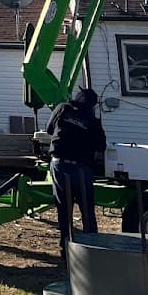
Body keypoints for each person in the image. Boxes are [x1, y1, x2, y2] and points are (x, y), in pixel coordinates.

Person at [46, 86, 106, 262]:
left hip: (60, 164)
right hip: (81, 168)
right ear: (92, 105)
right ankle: (92, 251)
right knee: (87, 210)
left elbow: (49, 129)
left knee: (64, 210)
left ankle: (67, 251)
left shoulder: (63, 109)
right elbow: (101, 145)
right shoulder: (92, 120)